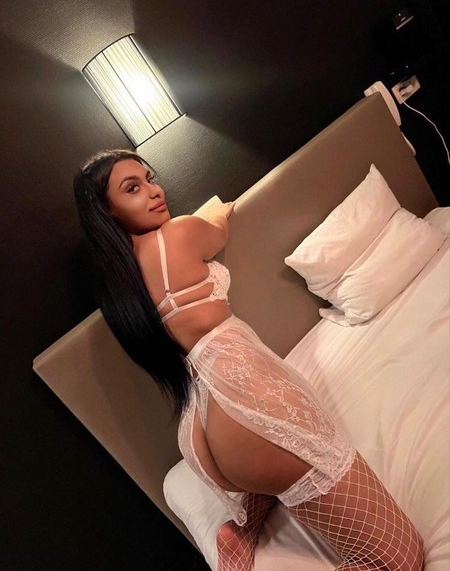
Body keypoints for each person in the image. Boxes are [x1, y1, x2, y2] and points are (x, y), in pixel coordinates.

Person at [73, 149, 424, 571]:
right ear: (108, 212)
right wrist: (217, 213)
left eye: (150, 178)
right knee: (398, 558)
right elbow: (217, 231)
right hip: (244, 405)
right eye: (133, 188)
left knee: (274, 475)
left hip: (203, 426)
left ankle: (240, 532)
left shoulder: (121, 286)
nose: (155, 191)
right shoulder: (179, 233)